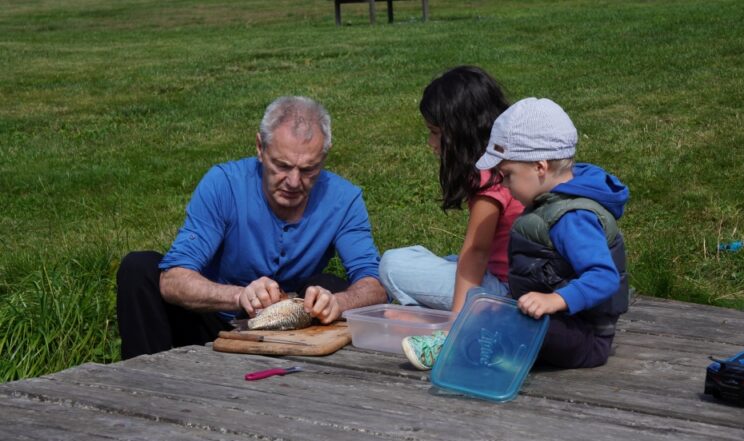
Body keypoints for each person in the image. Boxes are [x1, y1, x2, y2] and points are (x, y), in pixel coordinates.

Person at [117, 96, 386, 360]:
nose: (294, 182)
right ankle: (146, 374)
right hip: (216, 322)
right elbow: (173, 279)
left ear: (324, 157)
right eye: (282, 166)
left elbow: (375, 285)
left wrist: (337, 303)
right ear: (260, 148)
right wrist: (240, 296)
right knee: (139, 268)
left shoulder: (344, 199)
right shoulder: (224, 184)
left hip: (294, 330)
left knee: (328, 286)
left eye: (308, 170)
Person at [404, 97, 630, 370]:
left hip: (584, 337)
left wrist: (555, 300)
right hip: (558, 324)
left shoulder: (573, 218)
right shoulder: (549, 203)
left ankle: (462, 350)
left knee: (510, 323)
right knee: (492, 311)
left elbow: (604, 277)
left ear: (540, 167)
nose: (504, 185)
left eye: (508, 175)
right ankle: (466, 344)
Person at [379, 66, 524, 317]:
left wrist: (456, 321)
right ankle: (428, 312)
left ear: (461, 132)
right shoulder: (510, 158)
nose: (431, 143)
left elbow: (476, 251)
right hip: (509, 283)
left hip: (503, 296)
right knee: (434, 259)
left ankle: (438, 318)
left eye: (435, 133)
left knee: (392, 264)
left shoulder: (488, 176)